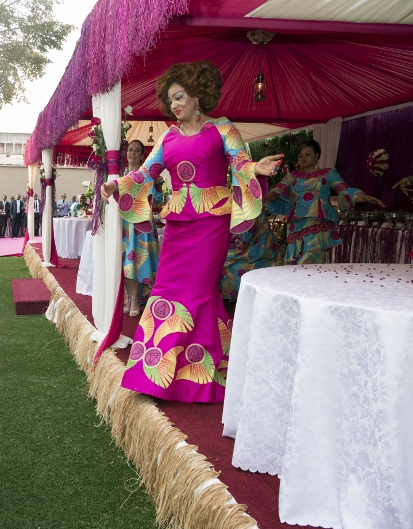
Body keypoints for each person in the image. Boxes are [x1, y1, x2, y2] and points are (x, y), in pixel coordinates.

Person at [101, 60, 283, 403]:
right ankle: (154, 376)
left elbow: (240, 163)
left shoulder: (222, 129)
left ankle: (200, 376)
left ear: (198, 96)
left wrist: (256, 167)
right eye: (170, 99)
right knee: (166, 289)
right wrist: (116, 185)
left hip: (211, 224)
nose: (175, 104)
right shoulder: (168, 137)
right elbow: (144, 174)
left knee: (199, 293)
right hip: (178, 227)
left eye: (180, 96)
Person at [265, 140, 384, 264]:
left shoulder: (328, 173)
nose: (303, 157)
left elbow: (344, 190)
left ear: (316, 156)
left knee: (310, 264)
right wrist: (266, 198)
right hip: (295, 227)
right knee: (294, 265)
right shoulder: (292, 176)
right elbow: (278, 191)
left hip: (318, 225)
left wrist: (362, 196)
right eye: (301, 155)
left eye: (308, 154)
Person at [121, 140, 163, 316]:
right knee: (126, 261)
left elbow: (159, 201)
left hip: (143, 224)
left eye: (137, 150)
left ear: (141, 155)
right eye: (130, 150)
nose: (132, 153)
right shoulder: (119, 175)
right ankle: (131, 296)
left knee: (140, 259)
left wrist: (159, 184)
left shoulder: (148, 175)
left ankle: (136, 298)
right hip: (124, 224)